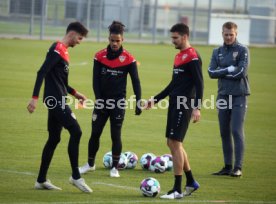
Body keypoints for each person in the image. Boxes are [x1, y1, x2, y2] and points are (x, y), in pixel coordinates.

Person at [27, 21, 92, 193]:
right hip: (55, 100)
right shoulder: (57, 48)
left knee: (54, 138)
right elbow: (42, 72)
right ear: (72, 34)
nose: (79, 42)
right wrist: (34, 98)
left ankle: (41, 180)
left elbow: (61, 82)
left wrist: (75, 93)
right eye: (79, 38)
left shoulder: (64, 52)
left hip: (59, 97)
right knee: (76, 131)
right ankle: (76, 177)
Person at [144, 23, 203, 199]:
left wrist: (197, 107)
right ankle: (191, 182)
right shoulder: (179, 56)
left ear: (184, 37)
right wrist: (155, 99)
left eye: (175, 38)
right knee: (171, 143)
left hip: (183, 105)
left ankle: (177, 190)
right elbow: (173, 84)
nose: (172, 41)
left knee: (175, 143)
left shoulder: (192, 56)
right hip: (173, 103)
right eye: (172, 38)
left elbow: (200, 83)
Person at [79, 21, 141, 177]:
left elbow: (136, 82)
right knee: (95, 134)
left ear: (122, 40)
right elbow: (95, 81)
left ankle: (114, 168)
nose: (114, 43)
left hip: (118, 103)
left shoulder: (129, 59)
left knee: (116, 135)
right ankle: (90, 164)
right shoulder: (99, 56)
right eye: (112, 40)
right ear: (109, 38)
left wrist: (138, 102)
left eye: (117, 41)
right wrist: (99, 100)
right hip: (102, 101)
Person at [208, 22, 250, 177]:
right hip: (223, 95)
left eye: (231, 34)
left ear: (236, 34)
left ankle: (238, 168)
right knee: (224, 132)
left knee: (236, 130)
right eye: (226, 34)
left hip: (239, 95)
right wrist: (229, 69)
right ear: (222, 33)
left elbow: (241, 72)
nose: (228, 37)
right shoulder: (217, 51)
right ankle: (227, 167)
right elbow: (211, 72)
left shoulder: (242, 50)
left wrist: (222, 72)